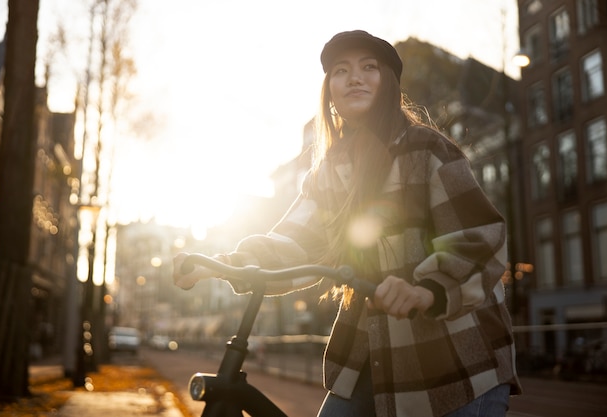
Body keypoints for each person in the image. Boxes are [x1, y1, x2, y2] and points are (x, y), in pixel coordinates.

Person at [174, 30, 522, 417]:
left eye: (368, 67)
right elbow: (294, 244)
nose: (354, 77)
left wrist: (427, 289)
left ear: (389, 83)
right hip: (370, 355)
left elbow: (479, 238)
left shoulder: (427, 149)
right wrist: (223, 263)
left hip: (456, 364)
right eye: (341, 71)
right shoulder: (331, 171)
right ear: (330, 91)